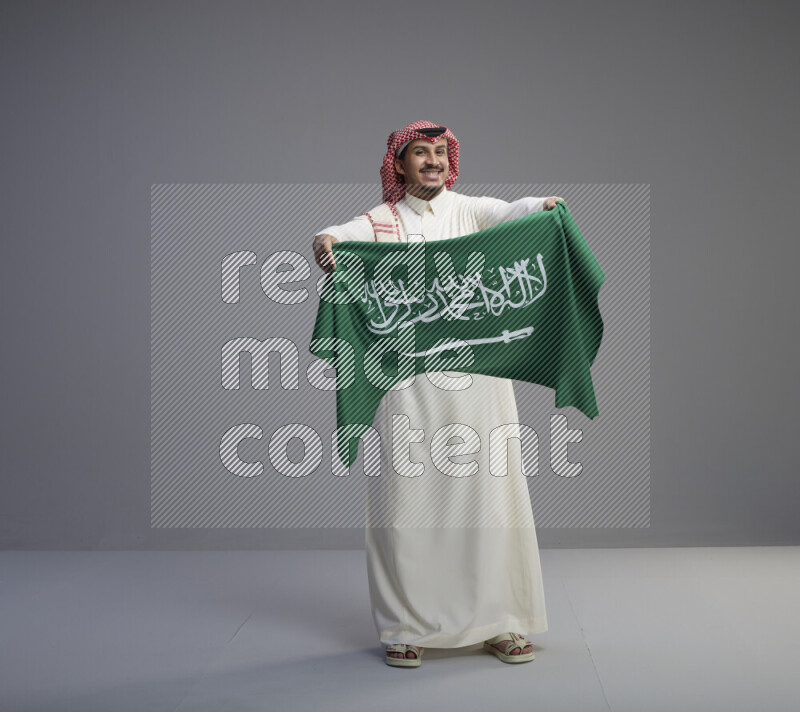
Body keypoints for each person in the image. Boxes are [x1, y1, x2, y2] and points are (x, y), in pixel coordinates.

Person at [312, 120, 564, 668]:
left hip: (480, 377)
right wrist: (326, 241)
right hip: (408, 384)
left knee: (490, 498)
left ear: (450, 162)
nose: (431, 161)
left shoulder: (470, 211)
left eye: (438, 153)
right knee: (406, 501)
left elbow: (512, 212)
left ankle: (502, 621)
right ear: (398, 166)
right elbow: (338, 233)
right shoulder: (381, 223)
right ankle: (406, 625)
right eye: (419, 153)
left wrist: (542, 206)